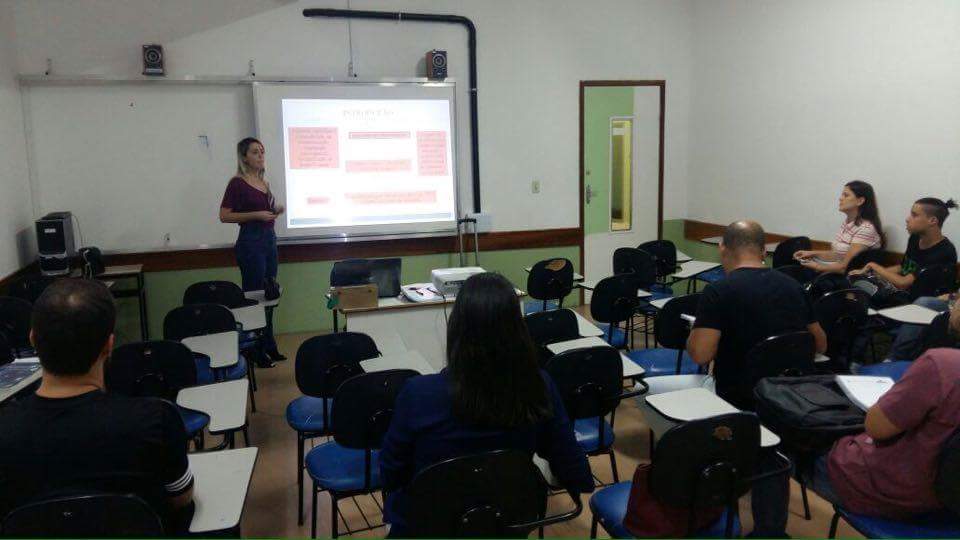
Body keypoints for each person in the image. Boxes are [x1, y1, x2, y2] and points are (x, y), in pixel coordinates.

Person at [379, 273, 593, 537]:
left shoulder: (418, 394)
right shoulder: (539, 385)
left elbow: (391, 473)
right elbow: (570, 463)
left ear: (457, 327)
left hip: (429, 525)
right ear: (518, 328)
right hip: (506, 522)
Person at [0, 279, 194, 534]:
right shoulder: (155, 419)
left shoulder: (5, 430)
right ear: (109, 345)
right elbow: (181, 498)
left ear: (33, 339)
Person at [756, 302, 960, 530]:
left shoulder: (942, 365)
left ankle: (767, 531)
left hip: (888, 490)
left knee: (770, 434)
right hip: (947, 499)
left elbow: (876, 427)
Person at [688, 220, 828, 410]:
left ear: (722, 248)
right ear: (763, 251)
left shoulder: (718, 291)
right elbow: (820, 345)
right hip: (791, 396)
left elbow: (700, 355)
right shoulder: (794, 286)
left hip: (739, 399)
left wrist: (695, 330)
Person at [853, 197, 958, 360]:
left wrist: (874, 266)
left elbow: (904, 282)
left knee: (866, 304)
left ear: (932, 221)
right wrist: (870, 273)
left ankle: (887, 360)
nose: (908, 218)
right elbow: (903, 268)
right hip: (901, 295)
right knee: (856, 288)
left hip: (914, 299)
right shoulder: (915, 238)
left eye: (914, 215)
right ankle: (848, 355)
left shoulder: (944, 251)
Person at [219, 137, 285, 366]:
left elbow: (266, 212)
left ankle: (269, 344)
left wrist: (276, 209)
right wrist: (255, 215)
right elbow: (224, 215)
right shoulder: (237, 183)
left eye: (262, 152)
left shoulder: (263, 182)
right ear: (244, 156)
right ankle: (256, 350)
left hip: (268, 240)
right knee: (255, 297)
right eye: (255, 152)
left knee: (270, 293)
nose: (260, 156)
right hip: (250, 242)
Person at [794, 180, 884, 274]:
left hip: (845, 279)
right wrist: (812, 253)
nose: (840, 199)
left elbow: (845, 267)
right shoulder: (848, 223)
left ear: (860, 201)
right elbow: (838, 255)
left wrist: (817, 266)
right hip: (834, 272)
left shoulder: (865, 229)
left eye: (846, 195)